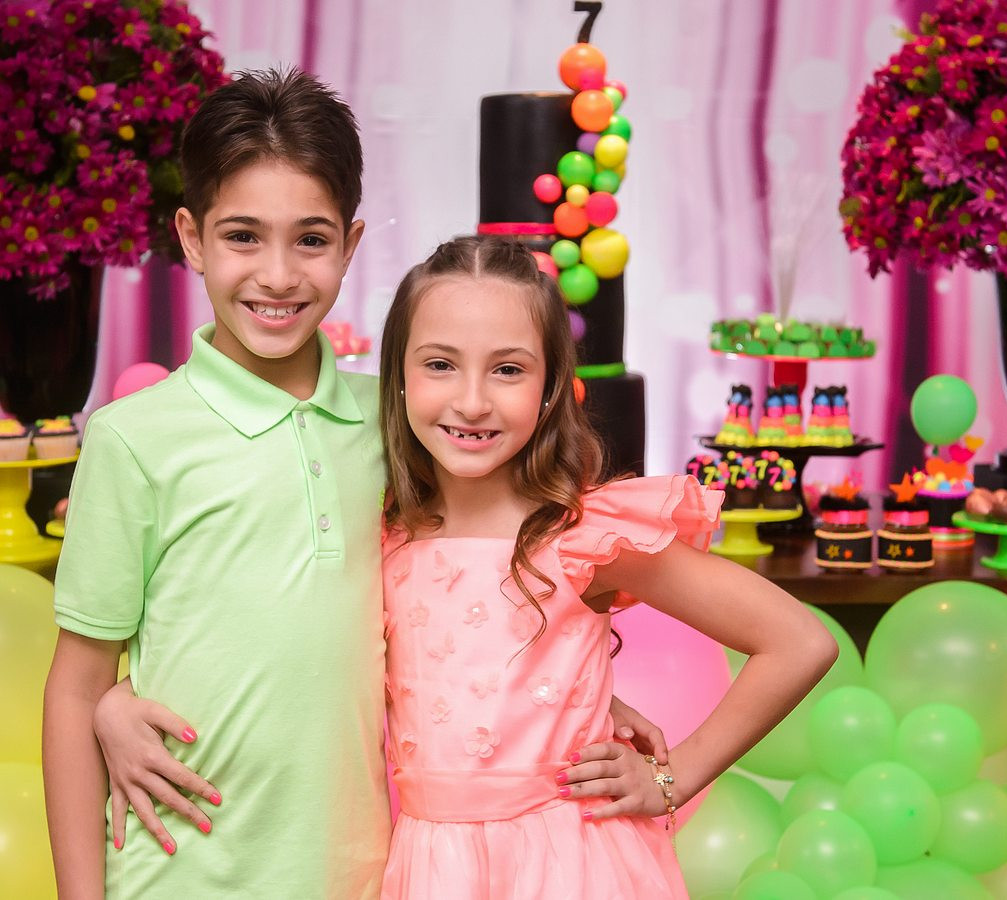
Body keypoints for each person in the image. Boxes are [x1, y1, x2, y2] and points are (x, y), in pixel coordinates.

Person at [43, 71, 664, 900]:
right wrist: (108, 707)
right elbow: (75, 687)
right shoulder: (133, 440)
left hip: (361, 875)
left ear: (351, 242)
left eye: (310, 239)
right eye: (242, 237)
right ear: (190, 238)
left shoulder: (405, 425)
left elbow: (474, 582)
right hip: (176, 873)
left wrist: (565, 702)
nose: (277, 275)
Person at [92, 235, 838, 897]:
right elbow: (271, 625)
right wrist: (120, 697)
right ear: (399, 377)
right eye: (441, 365)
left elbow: (799, 641)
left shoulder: (583, 536)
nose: (472, 401)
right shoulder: (381, 526)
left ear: (550, 387)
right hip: (429, 866)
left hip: (570, 865)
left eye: (508, 369)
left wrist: (672, 777)